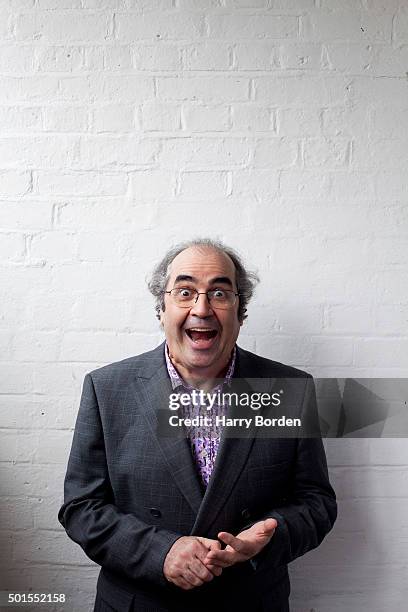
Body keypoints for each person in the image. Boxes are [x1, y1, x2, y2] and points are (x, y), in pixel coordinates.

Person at [58, 238, 337, 612]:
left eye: (220, 293)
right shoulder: (107, 388)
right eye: (185, 292)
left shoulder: (289, 389)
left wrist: (268, 537)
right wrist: (161, 553)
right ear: (162, 309)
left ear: (241, 312)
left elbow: (316, 502)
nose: (202, 308)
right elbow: (81, 506)